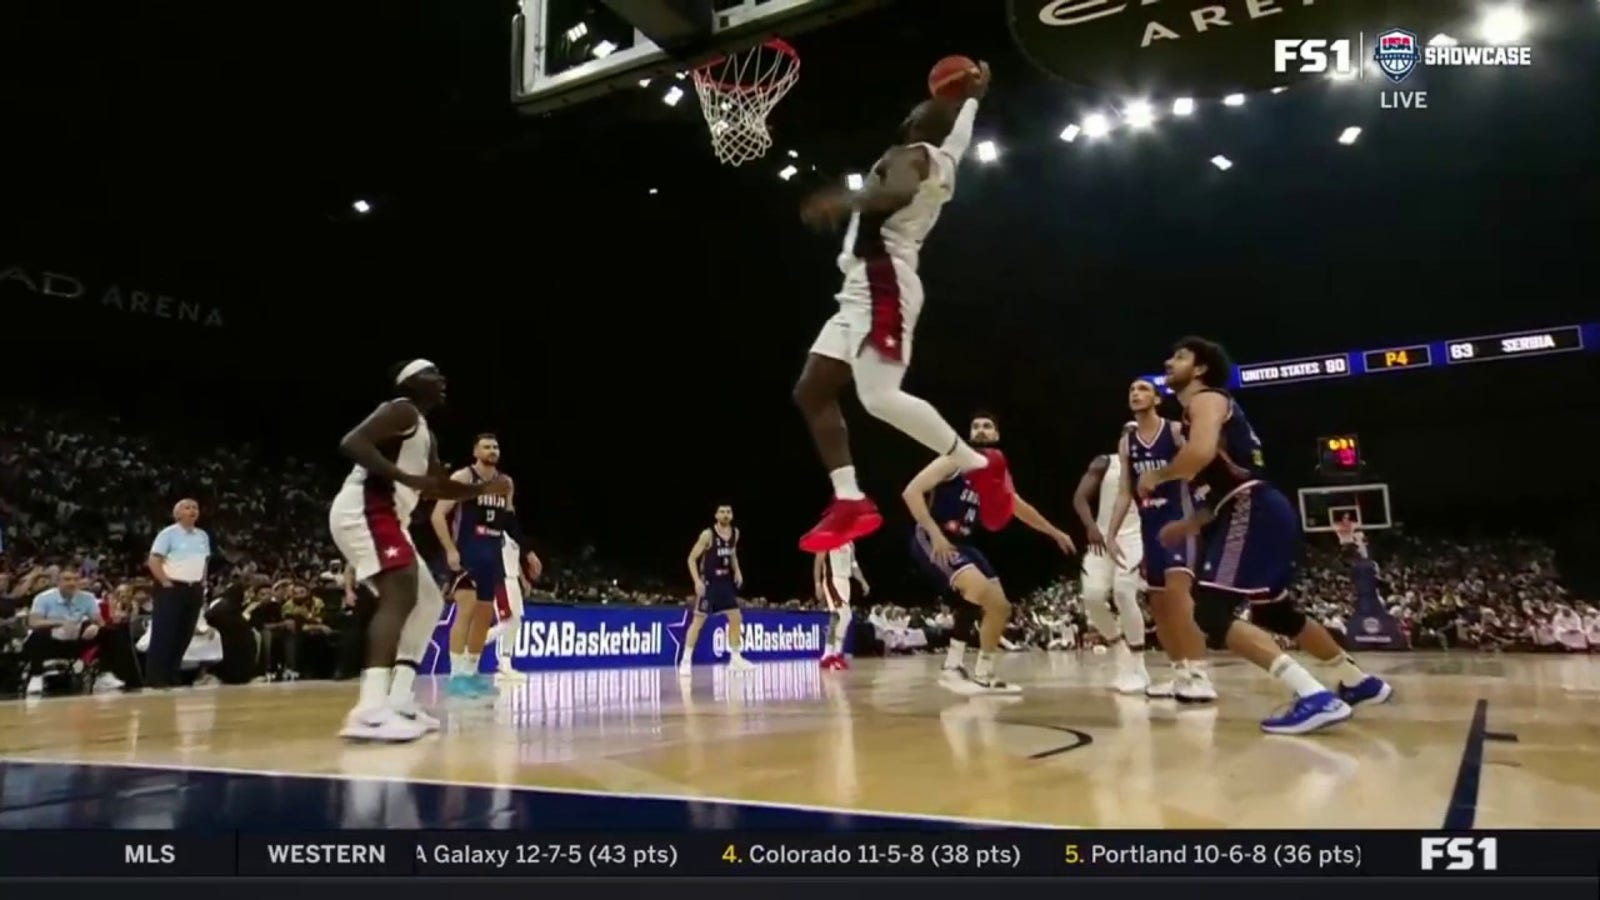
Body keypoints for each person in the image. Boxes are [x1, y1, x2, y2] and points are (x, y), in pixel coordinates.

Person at [792, 61, 1013, 554]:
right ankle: (849, 498)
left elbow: (894, 192)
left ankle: (978, 465)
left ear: (918, 120)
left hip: (881, 278)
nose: (925, 104)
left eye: (931, 104)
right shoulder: (945, 157)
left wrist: (842, 201)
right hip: (862, 284)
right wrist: (975, 97)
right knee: (813, 390)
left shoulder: (909, 152)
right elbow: (961, 137)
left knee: (877, 397)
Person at [1139, 337, 1391, 735]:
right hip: (1259, 507)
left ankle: (1313, 696)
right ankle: (1358, 681)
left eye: (1180, 357)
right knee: (1275, 612)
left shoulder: (1204, 400)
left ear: (1201, 369)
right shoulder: (1210, 410)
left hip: (1249, 509)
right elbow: (1220, 480)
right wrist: (1188, 525)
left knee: (1211, 613)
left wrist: (1159, 474)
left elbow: (1200, 453)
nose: (1169, 362)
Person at [329, 359, 508, 741]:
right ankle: (370, 710)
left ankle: (399, 700)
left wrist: (481, 490)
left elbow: (438, 486)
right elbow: (352, 442)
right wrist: (401, 477)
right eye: (432, 373)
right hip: (366, 508)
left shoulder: (423, 430)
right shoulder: (400, 409)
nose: (442, 379)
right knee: (401, 593)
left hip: (391, 517)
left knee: (428, 603)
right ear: (410, 382)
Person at [905, 412, 1075, 694]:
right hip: (935, 537)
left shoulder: (997, 472)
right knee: (979, 590)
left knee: (1000, 607)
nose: (981, 430)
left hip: (965, 543)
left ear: (996, 435)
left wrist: (1054, 532)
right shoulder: (954, 459)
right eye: (976, 426)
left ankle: (983, 673)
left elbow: (1018, 507)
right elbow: (911, 492)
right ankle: (951, 667)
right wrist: (934, 534)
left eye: (987, 426)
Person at [1103, 379, 1217, 702]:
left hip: (1179, 523)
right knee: (1160, 606)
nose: (1135, 393)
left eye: (1142, 389)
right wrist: (1111, 533)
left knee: (1178, 595)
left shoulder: (1176, 432)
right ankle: (1179, 673)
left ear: (1156, 399)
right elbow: (1126, 490)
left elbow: (1199, 464)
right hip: (1149, 527)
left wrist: (1201, 509)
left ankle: (1200, 674)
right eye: (1131, 390)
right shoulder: (1127, 443)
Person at [430, 433, 541, 699]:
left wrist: (528, 552)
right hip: (467, 551)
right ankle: (456, 676)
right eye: (487, 446)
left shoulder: (505, 483)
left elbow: (510, 521)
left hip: (491, 553)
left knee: (484, 615)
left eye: (496, 446)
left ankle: (471, 672)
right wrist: (450, 549)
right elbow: (437, 515)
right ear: (475, 451)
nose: (492, 450)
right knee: (465, 609)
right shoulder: (463, 478)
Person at [1073, 447, 1152, 695]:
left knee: (1124, 593)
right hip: (1101, 537)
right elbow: (1079, 498)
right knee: (1092, 597)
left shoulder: (1153, 467)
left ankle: (1139, 665)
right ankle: (1119, 648)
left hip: (1132, 538)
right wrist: (1090, 526)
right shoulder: (1105, 461)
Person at [144, 498, 211, 690]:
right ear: (178, 514)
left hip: (194, 587)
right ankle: (155, 678)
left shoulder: (202, 536)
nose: (192, 510)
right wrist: (165, 581)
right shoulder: (168, 534)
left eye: (195, 507)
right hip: (171, 587)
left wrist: (203, 582)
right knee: (164, 633)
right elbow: (154, 560)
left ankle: (173, 675)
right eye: (187, 507)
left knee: (184, 633)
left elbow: (204, 561)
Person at [680, 504, 754, 675]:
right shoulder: (708, 535)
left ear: (732, 515)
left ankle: (735, 658)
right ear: (716, 515)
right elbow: (691, 559)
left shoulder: (735, 533)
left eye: (728, 511)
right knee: (698, 621)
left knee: (736, 617)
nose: (725, 514)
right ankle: (686, 660)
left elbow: (732, 553)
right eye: (722, 512)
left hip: (725, 582)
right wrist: (697, 581)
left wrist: (738, 571)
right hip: (709, 583)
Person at [23, 568, 105, 697]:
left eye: (75, 579)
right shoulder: (43, 598)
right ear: (58, 582)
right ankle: (36, 676)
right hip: (51, 642)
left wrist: (94, 626)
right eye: (67, 579)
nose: (71, 583)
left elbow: (100, 622)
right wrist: (58, 623)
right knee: (37, 635)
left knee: (108, 633)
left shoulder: (88, 598)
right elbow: (33, 622)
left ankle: (105, 674)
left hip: (76, 639)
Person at [814, 540, 869, 670]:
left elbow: (854, 566)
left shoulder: (850, 544)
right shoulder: (827, 540)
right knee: (837, 615)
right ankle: (827, 655)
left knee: (846, 617)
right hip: (832, 580)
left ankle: (836, 653)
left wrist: (863, 581)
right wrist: (817, 584)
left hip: (845, 582)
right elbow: (818, 563)